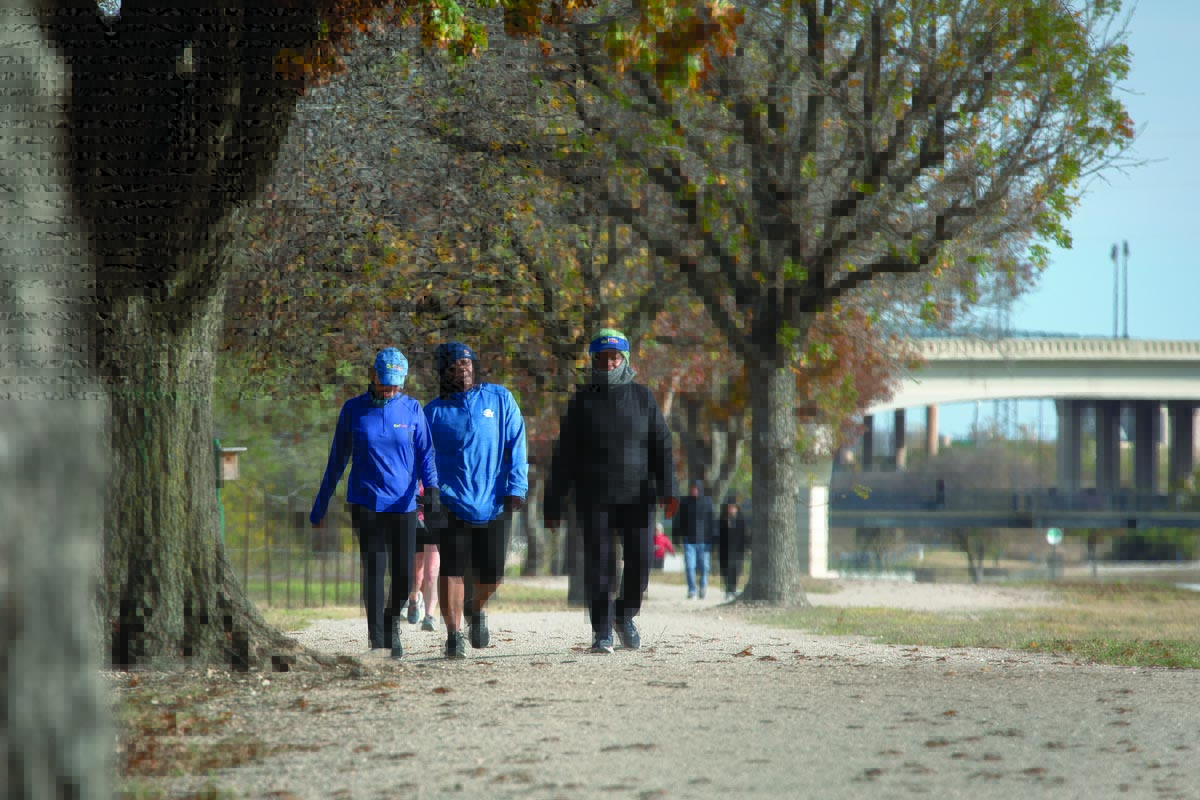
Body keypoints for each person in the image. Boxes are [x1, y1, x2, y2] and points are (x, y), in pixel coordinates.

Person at [544, 329, 679, 654]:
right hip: (594, 498)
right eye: (602, 358)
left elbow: (661, 445)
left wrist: (669, 489)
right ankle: (602, 631)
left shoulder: (643, 398)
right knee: (600, 565)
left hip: (638, 497)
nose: (608, 364)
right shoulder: (581, 401)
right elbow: (564, 456)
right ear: (593, 361)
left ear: (625, 359)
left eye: (614, 358)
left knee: (641, 560)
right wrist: (553, 502)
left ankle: (624, 613)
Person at [310, 348, 440, 658]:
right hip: (365, 502)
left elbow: (426, 454)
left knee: (404, 575)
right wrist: (321, 503)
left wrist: (433, 489)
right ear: (373, 376)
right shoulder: (353, 410)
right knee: (374, 569)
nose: (389, 390)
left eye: (395, 385)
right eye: (384, 383)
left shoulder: (412, 409)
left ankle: (391, 621)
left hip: (403, 505)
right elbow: (337, 459)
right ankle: (378, 640)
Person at [424, 341, 528, 659]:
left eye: (466, 363)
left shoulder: (500, 399)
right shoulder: (433, 412)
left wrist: (517, 486)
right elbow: (422, 457)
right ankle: (453, 636)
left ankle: (475, 608)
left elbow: (516, 443)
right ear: (443, 372)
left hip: (495, 501)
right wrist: (426, 494)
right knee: (451, 568)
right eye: (454, 365)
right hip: (451, 500)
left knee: (493, 573)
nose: (462, 369)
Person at [406, 484, 440, 630]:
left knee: (431, 572)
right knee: (416, 577)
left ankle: (429, 616)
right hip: (415, 518)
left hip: (435, 519)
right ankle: (414, 598)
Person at [674, 480, 715, 599]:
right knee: (689, 566)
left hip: (704, 541)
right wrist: (676, 537)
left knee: (704, 567)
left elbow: (713, 522)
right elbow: (678, 521)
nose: (694, 490)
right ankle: (692, 590)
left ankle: (703, 586)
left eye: (696, 488)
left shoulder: (707, 502)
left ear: (700, 489)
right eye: (692, 488)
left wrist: (714, 539)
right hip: (689, 541)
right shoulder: (685, 502)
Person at [718, 494, 748, 600]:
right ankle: (728, 590)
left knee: (737, 570)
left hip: (738, 550)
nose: (731, 510)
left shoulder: (741, 519)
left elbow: (745, 534)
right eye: (729, 507)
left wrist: (748, 546)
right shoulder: (722, 519)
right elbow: (717, 535)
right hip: (725, 550)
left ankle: (733, 589)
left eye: (733, 507)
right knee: (726, 570)